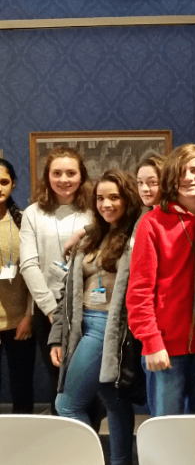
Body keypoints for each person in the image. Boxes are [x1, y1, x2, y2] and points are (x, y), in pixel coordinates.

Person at [49, 170, 143, 465]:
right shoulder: (94, 236)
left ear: (128, 199)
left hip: (106, 329)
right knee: (112, 400)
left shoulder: (136, 234)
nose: (107, 204)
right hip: (81, 324)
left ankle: (92, 460)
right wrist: (57, 336)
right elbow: (68, 292)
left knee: (66, 404)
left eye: (114, 197)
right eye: (100, 198)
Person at [127, 143, 195, 416]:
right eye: (180, 171)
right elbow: (139, 291)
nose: (188, 178)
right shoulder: (153, 222)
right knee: (167, 436)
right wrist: (151, 342)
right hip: (166, 347)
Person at [19, 146, 94, 413]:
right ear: (47, 177)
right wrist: (51, 309)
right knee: (58, 381)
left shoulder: (95, 210)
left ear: (82, 176)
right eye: (57, 173)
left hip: (90, 308)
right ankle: (64, 445)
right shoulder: (33, 213)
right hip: (49, 310)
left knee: (90, 381)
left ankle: (90, 442)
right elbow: (28, 264)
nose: (64, 179)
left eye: (71, 173)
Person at [0, 158, 35, 413]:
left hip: (19, 320)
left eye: (3, 182)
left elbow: (35, 274)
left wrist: (29, 315)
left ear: (13, 185)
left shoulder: (24, 222)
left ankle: (23, 441)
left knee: (22, 386)